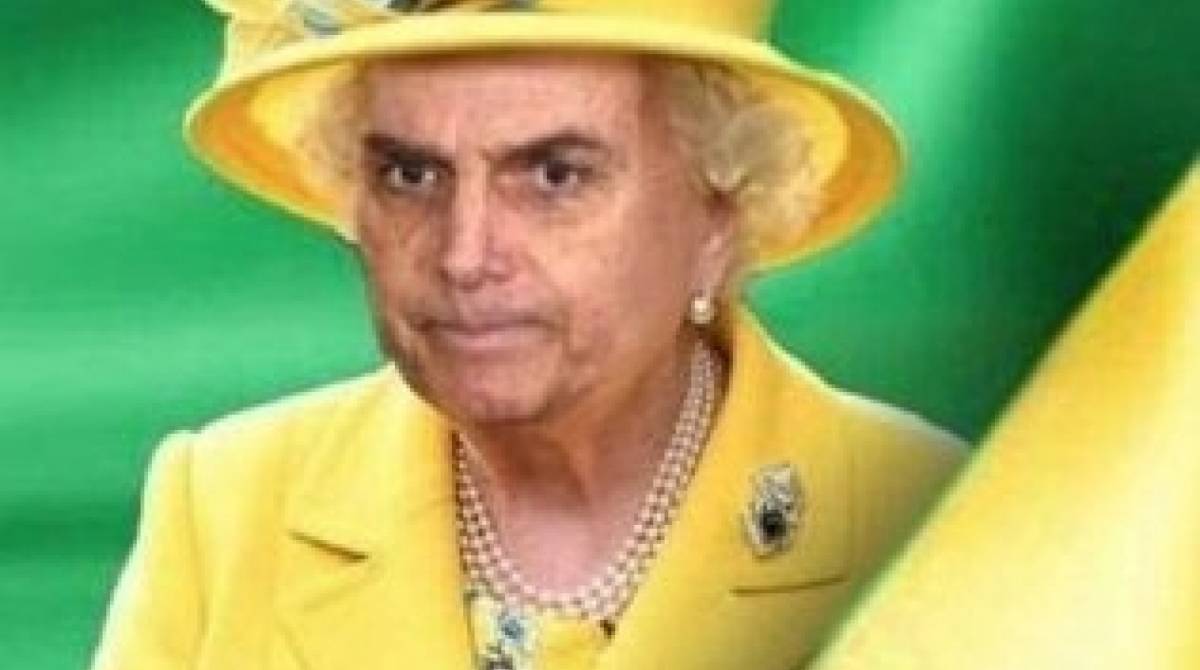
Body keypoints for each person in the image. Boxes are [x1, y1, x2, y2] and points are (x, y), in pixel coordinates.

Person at [92, 1, 967, 668]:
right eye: (410, 174)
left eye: (554, 175)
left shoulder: (926, 514)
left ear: (719, 214)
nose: (465, 255)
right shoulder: (227, 508)